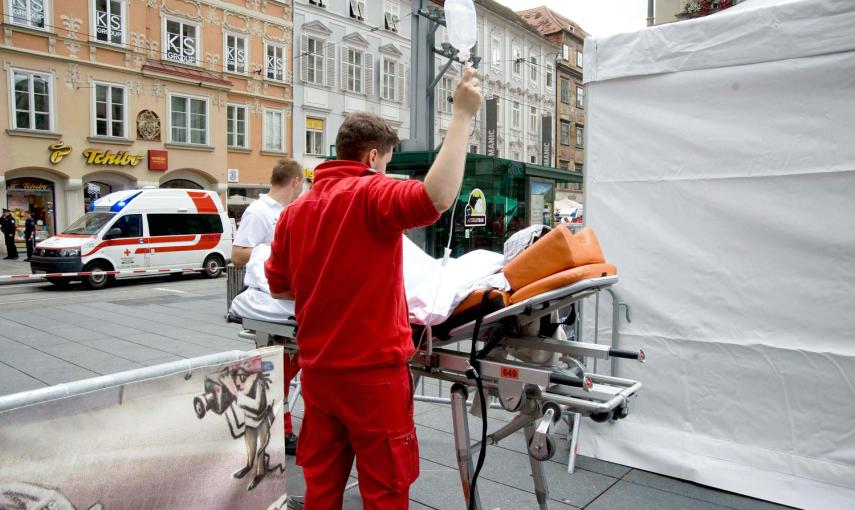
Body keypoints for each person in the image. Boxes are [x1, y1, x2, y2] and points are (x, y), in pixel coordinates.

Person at [266, 68, 482, 508]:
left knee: (322, 488)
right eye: (385, 161)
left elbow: (281, 291)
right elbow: (436, 198)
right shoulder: (371, 194)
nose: (385, 169)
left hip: (320, 376)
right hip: (372, 380)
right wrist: (462, 115)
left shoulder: (295, 213)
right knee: (384, 489)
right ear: (370, 157)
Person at [232, 158, 304, 456]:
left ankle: (279, 425)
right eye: (303, 185)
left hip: (287, 293)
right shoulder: (259, 212)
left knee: (289, 368)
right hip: (270, 294)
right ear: (296, 182)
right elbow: (238, 255)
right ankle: (281, 429)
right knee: (279, 372)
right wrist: (272, 253)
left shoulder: (287, 212)